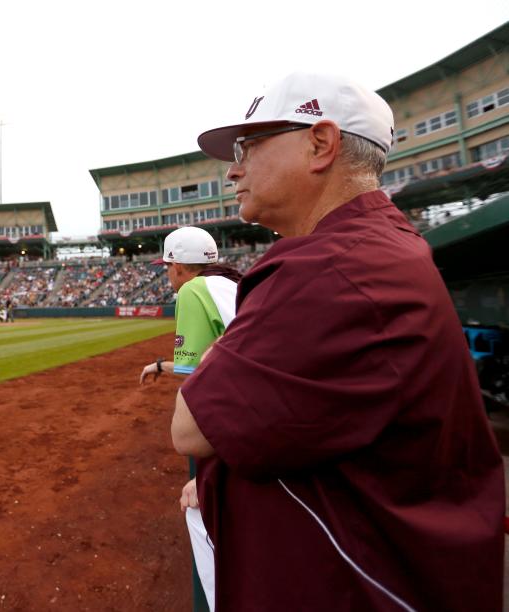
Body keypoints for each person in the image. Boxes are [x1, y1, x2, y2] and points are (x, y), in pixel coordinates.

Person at [172, 72, 504, 610]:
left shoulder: (332, 266)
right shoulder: (377, 245)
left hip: (354, 585)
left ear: (321, 144)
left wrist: (216, 355)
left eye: (248, 147)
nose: (233, 169)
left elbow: (190, 427)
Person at [138, 225, 241, 611]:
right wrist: (163, 365)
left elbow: (197, 379)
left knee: (200, 513)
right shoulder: (225, 282)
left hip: (244, 425)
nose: (167, 273)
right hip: (271, 408)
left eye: (168, 266)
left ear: (179, 266)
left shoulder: (193, 290)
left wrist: (209, 470)